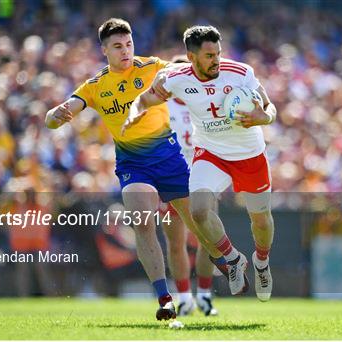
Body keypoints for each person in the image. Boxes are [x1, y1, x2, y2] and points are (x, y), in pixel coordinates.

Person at [45, 18, 224, 320]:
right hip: (133, 165)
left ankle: (219, 274)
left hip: (172, 164)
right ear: (104, 50)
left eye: (128, 44)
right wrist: (55, 115)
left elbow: (188, 71)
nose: (125, 50)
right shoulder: (95, 85)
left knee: (200, 226)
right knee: (151, 227)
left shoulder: (152, 67)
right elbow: (56, 116)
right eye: (117, 46)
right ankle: (169, 298)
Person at [123, 25, 276, 301]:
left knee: (261, 220)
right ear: (191, 57)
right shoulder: (177, 78)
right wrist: (133, 113)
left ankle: (261, 262)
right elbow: (146, 98)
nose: (216, 59)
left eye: (218, 53)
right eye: (209, 55)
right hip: (210, 152)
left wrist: (263, 118)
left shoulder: (241, 72)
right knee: (199, 212)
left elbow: (269, 107)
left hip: (248, 153)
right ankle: (233, 259)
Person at [160, 56, 218, 316]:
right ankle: (184, 297)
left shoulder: (204, 100)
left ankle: (204, 295)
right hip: (172, 177)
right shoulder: (160, 105)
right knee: (175, 241)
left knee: (209, 238)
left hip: (201, 175)